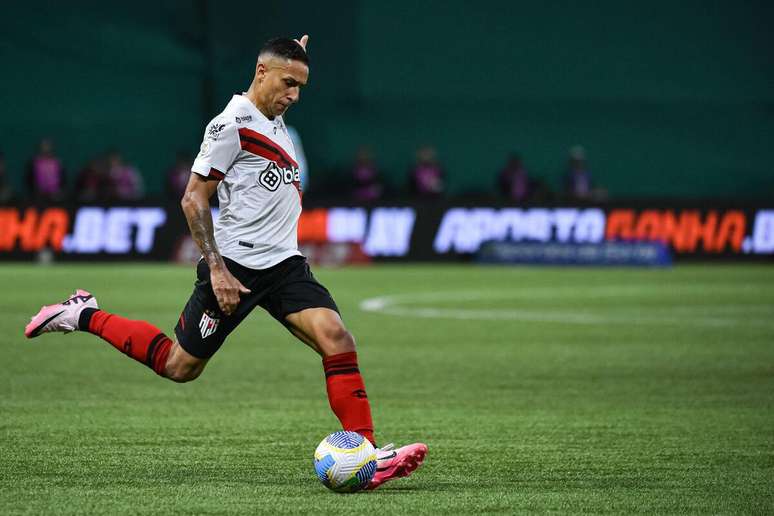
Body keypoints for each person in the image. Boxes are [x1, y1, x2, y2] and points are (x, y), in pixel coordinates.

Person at [24, 35, 426, 490]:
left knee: (337, 337)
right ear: (261, 73)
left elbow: (275, 110)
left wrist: (292, 50)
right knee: (179, 366)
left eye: (300, 87)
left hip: (285, 265)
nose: (294, 95)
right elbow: (193, 198)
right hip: (235, 267)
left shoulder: (275, 117)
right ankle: (82, 312)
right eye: (288, 83)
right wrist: (216, 269)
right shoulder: (230, 125)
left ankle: (367, 457)